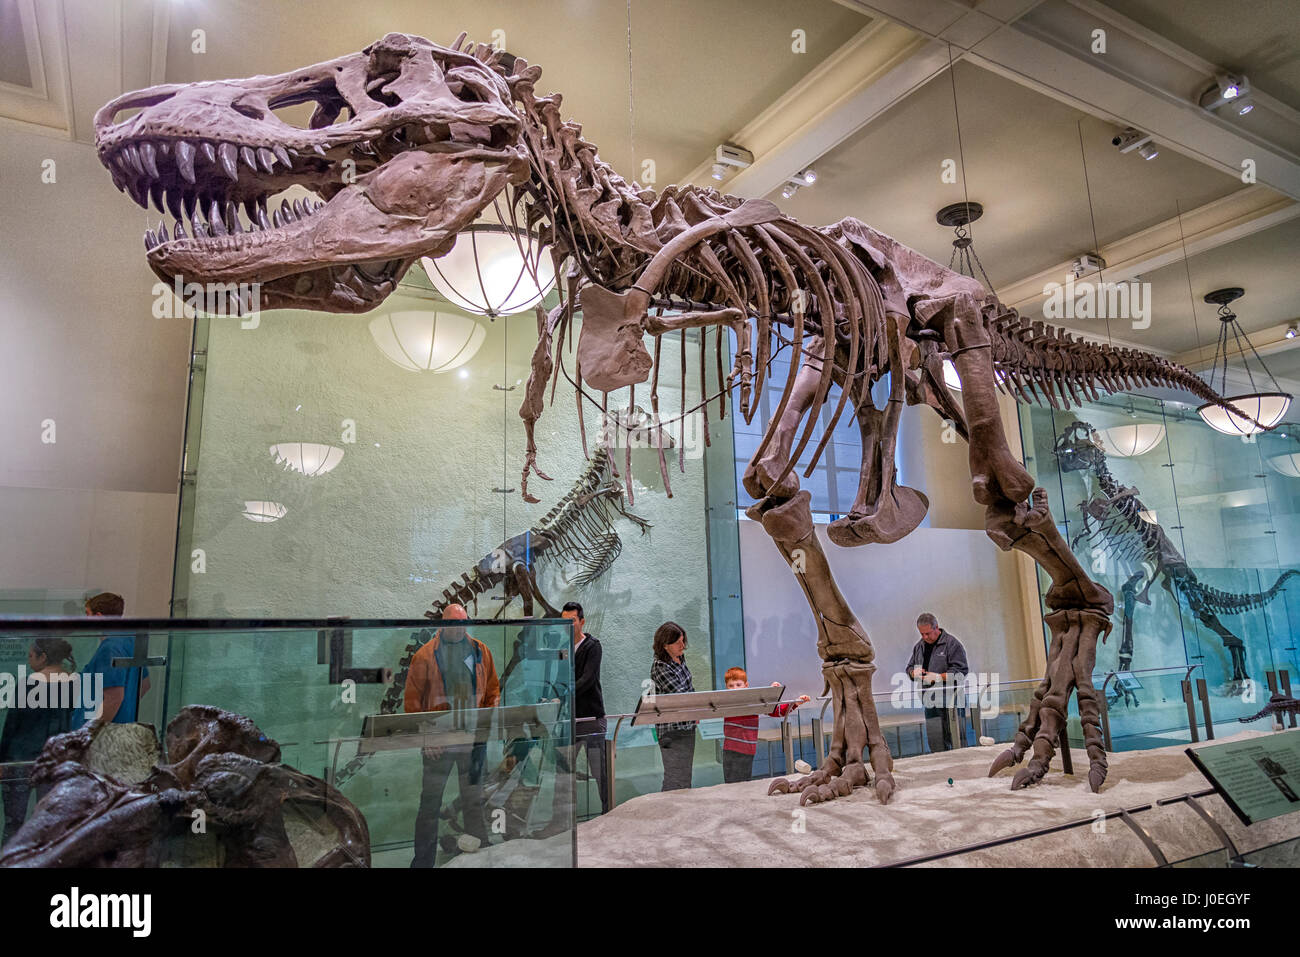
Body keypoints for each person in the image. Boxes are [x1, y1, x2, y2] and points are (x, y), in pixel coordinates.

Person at [404, 603, 500, 867]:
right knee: (430, 805)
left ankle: (479, 856)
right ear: (443, 624)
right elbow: (412, 704)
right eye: (453, 624)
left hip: (472, 741)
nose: (458, 629)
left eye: (463, 623)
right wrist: (426, 739)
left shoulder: (481, 651)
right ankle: (422, 863)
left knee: (474, 800)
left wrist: (484, 726)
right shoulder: (424, 656)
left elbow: (493, 690)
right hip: (439, 744)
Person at [0, 639, 78, 844]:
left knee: (13, 822)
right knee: (48, 821)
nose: (28, 660)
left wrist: (2, 760)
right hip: (53, 759)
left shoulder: (28, 684)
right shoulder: (72, 682)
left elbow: (11, 725)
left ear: (43, 657)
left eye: (31, 656)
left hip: (19, 759)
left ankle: (9, 860)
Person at [554, 602, 609, 815]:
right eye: (564, 621)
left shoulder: (593, 646)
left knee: (599, 771)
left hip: (591, 719)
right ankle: (558, 821)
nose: (568, 625)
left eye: (572, 621)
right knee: (561, 771)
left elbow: (587, 679)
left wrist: (563, 694)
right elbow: (559, 678)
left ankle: (608, 814)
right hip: (570, 721)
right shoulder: (562, 648)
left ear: (582, 621)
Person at [720, 667, 810, 784]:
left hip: (746, 751)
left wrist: (794, 702)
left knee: (742, 784)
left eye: (738, 684)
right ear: (726, 687)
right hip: (728, 750)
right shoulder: (726, 701)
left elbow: (776, 710)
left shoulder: (754, 701)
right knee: (729, 783)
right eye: (731, 686)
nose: (735, 688)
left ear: (746, 685)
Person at [80, 592, 150, 725]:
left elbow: (114, 697)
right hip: (122, 726)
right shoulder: (130, 642)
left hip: (104, 734)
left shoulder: (110, 648)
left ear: (99, 617)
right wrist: (125, 709)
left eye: (88, 614)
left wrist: (89, 734)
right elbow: (145, 684)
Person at [905, 613, 969, 752]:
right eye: (922, 634)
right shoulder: (919, 647)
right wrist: (912, 673)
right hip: (930, 701)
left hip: (952, 700)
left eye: (928, 633)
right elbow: (909, 667)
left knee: (957, 739)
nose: (925, 637)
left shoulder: (952, 644)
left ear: (936, 628)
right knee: (936, 742)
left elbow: (961, 670)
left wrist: (939, 677)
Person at [650, 621, 696, 791]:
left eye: (683, 640)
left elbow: (690, 690)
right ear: (665, 645)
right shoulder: (660, 666)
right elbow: (680, 696)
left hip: (687, 726)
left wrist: (696, 712)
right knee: (675, 777)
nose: (683, 646)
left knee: (685, 776)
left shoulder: (680, 659)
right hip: (671, 730)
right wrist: (695, 709)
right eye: (678, 642)